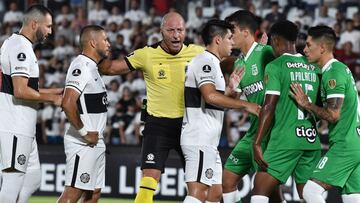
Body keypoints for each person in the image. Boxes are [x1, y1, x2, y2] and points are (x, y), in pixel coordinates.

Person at [98, 12, 205, 203]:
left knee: (198, 185)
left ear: (185, 31)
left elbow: (225, 60)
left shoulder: (198, 53)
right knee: (148, 180)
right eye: (170, 30)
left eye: (180, 30)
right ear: (161, 31)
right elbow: (109, 68)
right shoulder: (146, 54)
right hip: (158, 126)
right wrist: (97, 51)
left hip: (189, 126)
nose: (176, 35)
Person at [181, 19, 260, 203]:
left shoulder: (213, 63)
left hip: (208, 141)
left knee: (216, 193)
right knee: (198, 193)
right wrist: (247, 105)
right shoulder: (205, 62)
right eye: (229, 38)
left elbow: (217, 100)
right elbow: (210, 96)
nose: (232, 42)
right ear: (218, 40)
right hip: (199, 138)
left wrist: (231, 91)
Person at [251, 20, 322, 203]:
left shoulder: (276, 66)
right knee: (309, 195)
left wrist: (257, 142)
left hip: (284, 139)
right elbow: (321, 104)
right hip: (310, 140)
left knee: (259, 191)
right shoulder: (313, 67)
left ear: (274, 40)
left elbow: (269, 106)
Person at [290, 25, 360, 203]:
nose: (304, 49)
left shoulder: (333, 72)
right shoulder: (340, 69)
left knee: (310, 192)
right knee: (353, 197)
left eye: (308, 45)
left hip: (345, 144)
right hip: (354, 141)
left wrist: (307, 104)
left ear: (321, 47)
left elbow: (333, 115)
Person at [0, 4, 62, 203]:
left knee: (33, 177)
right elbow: (20, 91)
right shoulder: (21, 48)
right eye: (48, 26)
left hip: (23, 126)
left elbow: (17, 87)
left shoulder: (16, 43)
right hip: (15, 125)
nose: (50, 32)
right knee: (13, 181)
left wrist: (54, 91)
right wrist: (52, 99)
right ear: (35, 24)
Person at [220, 10, 278, 203]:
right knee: (227, 180)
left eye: (232, 30)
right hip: (253, 131)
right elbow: (233, 101)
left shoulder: (267, 53)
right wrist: (231, 89)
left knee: (269, 192)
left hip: (270, 133)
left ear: (245, 32)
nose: (229, 35)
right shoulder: (240, 63)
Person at [57, 25, 110, 203]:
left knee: (93, 193)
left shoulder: (93, 67)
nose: (109, 44)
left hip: (96, 140)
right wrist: (84, 134)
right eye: (105, 40)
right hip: (84, 142)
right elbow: (67, 102)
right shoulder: (81, 66)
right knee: (73, 192)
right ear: (93, 43)